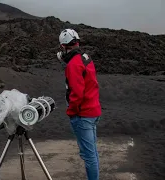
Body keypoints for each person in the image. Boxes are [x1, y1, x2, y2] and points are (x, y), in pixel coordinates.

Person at [57, 29, 102, 180]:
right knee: (92, 153)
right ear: (76, 42)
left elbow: (77, 93)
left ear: (63, 46)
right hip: (94, 111)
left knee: (88, 156)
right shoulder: (86, 58)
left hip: (83, 115)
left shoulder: (73, 65)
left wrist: (71, 111)